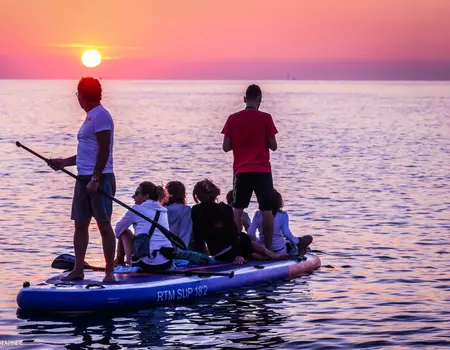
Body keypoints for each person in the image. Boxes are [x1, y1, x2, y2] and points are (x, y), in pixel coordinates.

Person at [49, 77, 116, 282]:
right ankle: (78, 269)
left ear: (83, 95)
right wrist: (63, 162)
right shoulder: (89, 118)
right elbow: (87, 154)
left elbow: (104, 150)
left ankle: (109, 272)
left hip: (101, 177)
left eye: (78, 95)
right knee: (80, 224)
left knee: (104, 225)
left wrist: (95, 178)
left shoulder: (101, 116)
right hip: (83, 177)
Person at [221, 84, 278, 251]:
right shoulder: (266, 118)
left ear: (244, 99)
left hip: (241, 171)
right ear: (260, 99)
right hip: (263, 171)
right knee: (267, 210)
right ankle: (268, 249)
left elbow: (226, 147)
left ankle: (236, 248)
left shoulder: (232, 118)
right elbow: (273, 146)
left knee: (237, 210)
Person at [191, 179, 287, 264]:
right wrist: (238, 254)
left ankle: (260, 256)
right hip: (233, 250)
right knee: (244, 237)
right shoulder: (225, 209)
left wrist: (199, 256)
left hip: (217, 253)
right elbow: (232, 233)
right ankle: (269, 254)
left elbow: (198, 236)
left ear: (197, 196)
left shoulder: (195, 210)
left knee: (243, 241)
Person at [114, 182, 173, 271]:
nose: (133, 197)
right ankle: (120, 261)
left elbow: (118, 231)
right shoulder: (163, 211)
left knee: (125, 232)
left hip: (145, 264)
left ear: (146, 196)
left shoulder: (136, 209)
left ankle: (119, 261)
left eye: (137, 194)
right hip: (166, 263)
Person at [248, 190, 313, 256]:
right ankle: (299, 252)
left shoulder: (258, 214)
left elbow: (250, 232)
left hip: (263, 249)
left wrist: (257, 242)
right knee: (308, 238)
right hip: (279, 250)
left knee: (289, 242)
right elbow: (286, 233)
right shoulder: (283, 214)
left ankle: (263, 255)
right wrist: (297, 241)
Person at [165, 181, 193, 250]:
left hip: (161, 250)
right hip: (175, 251)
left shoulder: (161, 209)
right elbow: (184, 235)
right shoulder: (185, 210)